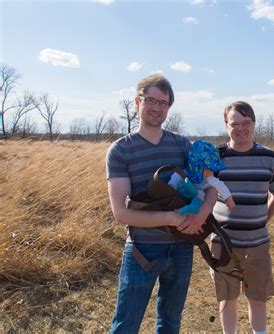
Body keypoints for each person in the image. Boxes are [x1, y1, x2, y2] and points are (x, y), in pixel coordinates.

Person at [106, 74, 217, 333]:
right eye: (151, 101)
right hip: (142, 249)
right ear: (137, 102)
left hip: (181, 248)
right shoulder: (121, 150)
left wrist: (202, 212)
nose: (157, 108)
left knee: (169, 323)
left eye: (163, 103)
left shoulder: (181, 145)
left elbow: (211, 187)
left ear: (169, 107)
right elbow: (121, 213)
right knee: (125, 325)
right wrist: (171, 218)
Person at [210, 101, 274, 334]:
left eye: (246, 123)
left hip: (257, 244)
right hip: (222, 243)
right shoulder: (215, 158)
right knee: (227, 297)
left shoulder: (270, 158)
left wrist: (263, 220)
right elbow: (204, 193)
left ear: (254, 124)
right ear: (226, 126)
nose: (241, 128)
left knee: (257, 298)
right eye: (235, 124)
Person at [168, 140, 235, 215]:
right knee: (181, 182)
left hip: (194, 197)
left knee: (200, 194)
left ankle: (193, 208)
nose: (210, 173)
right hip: (180, 195)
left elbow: (221, 186)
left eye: (212, 169)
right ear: (196, 166)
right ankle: (181, 209)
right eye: (206, 169)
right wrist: (171, 187)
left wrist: (229, 199)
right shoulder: (185, 173)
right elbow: (175, 178)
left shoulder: (209, 178)